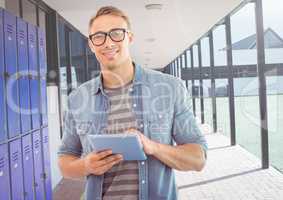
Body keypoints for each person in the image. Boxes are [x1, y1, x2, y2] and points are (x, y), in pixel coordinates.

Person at [58, 6, 207, 200]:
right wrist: (85, 165)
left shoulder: (169, 88)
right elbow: (65, 160)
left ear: (130, 37)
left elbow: (198, 158)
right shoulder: (77, 98)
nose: (108, 42)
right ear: (91, 45)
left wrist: (153, 147)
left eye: (116, 33)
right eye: (99, 36)